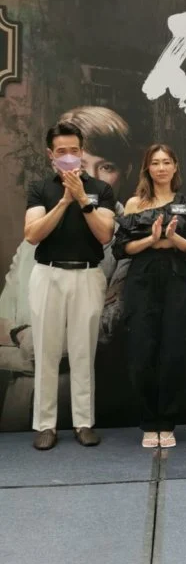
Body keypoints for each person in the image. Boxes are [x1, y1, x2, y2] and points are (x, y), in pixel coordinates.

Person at [0, 106, 133, 430]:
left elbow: (105, 332)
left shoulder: (127, 235)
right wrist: (22, 337)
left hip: (96, 399)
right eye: (81, 163)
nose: (92, 176)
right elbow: (2, 323)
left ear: (126, 171)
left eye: (107, 166)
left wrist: (28, 341)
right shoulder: (37, 226)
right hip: (17, 400)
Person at [23, 121, 116, 449]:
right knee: (47, 351)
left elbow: (104, 234)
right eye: (61, 151)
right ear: (51, 154)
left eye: (73, 150)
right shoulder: (40, 188)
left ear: (82, 151)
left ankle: (83, 422)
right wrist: (64, 201)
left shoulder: (101, 189)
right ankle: (45, 425)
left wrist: (82, 198)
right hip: (48, 274)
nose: (68, 156)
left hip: (87, 274)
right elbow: (32, 234)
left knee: (82, 351)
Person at [113, 144, 186, 448]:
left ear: (175, 166)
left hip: (176, 281)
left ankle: (167, 422)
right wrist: (152, 240)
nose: (161, 168)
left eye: (166, 162)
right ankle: (148, 422)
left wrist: (172, 238)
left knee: (174, 352)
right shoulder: (134, 203)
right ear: (147, 168)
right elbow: (122, 248)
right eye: (155, 163)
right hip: (141, 280)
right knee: (142, 351)